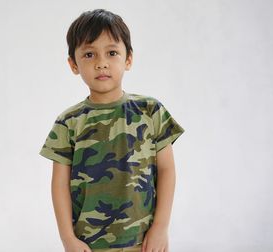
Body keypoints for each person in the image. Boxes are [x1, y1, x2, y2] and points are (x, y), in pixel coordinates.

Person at [39, 9, 185, 252]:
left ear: (128, 59)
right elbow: (59, 185)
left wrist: (161, 227)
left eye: (112, 52)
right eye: (89, 54)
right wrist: (67, 238)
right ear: (73, 64)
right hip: (88, 244)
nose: (101, 62)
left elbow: (167, 170)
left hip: (144, 242)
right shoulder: (69, 122)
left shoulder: (150, 111)